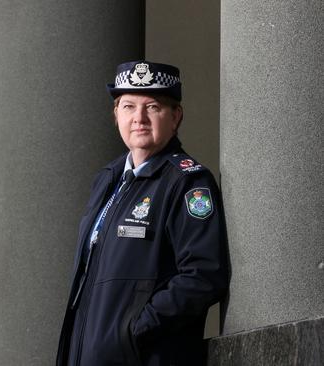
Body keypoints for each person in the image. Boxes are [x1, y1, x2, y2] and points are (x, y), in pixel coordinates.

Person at [56, 61, 229, 366]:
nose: (139, 118)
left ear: (175, 117)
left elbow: (203, 275)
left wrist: (132, 332)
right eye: (128, 106)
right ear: (115, 114)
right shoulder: (107, 180)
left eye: (153, 107)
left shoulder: (187, 182)